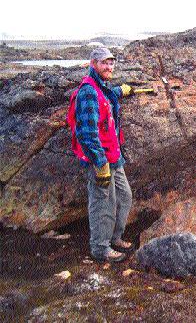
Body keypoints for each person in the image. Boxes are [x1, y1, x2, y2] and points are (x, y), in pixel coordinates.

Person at [67, 47, 134, 262]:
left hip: (115, 157)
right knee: (102, 202)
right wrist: (99, 162)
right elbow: (86, 132)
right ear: (93, 63)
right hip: (101, 160)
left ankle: (115, 237)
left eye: (111, 63)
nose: (109, 67)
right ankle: (100, 248)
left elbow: (107, 95)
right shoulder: (87, 90)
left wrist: (122, 90)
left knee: (124, 197)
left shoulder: (101, 87)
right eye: (104, 62)